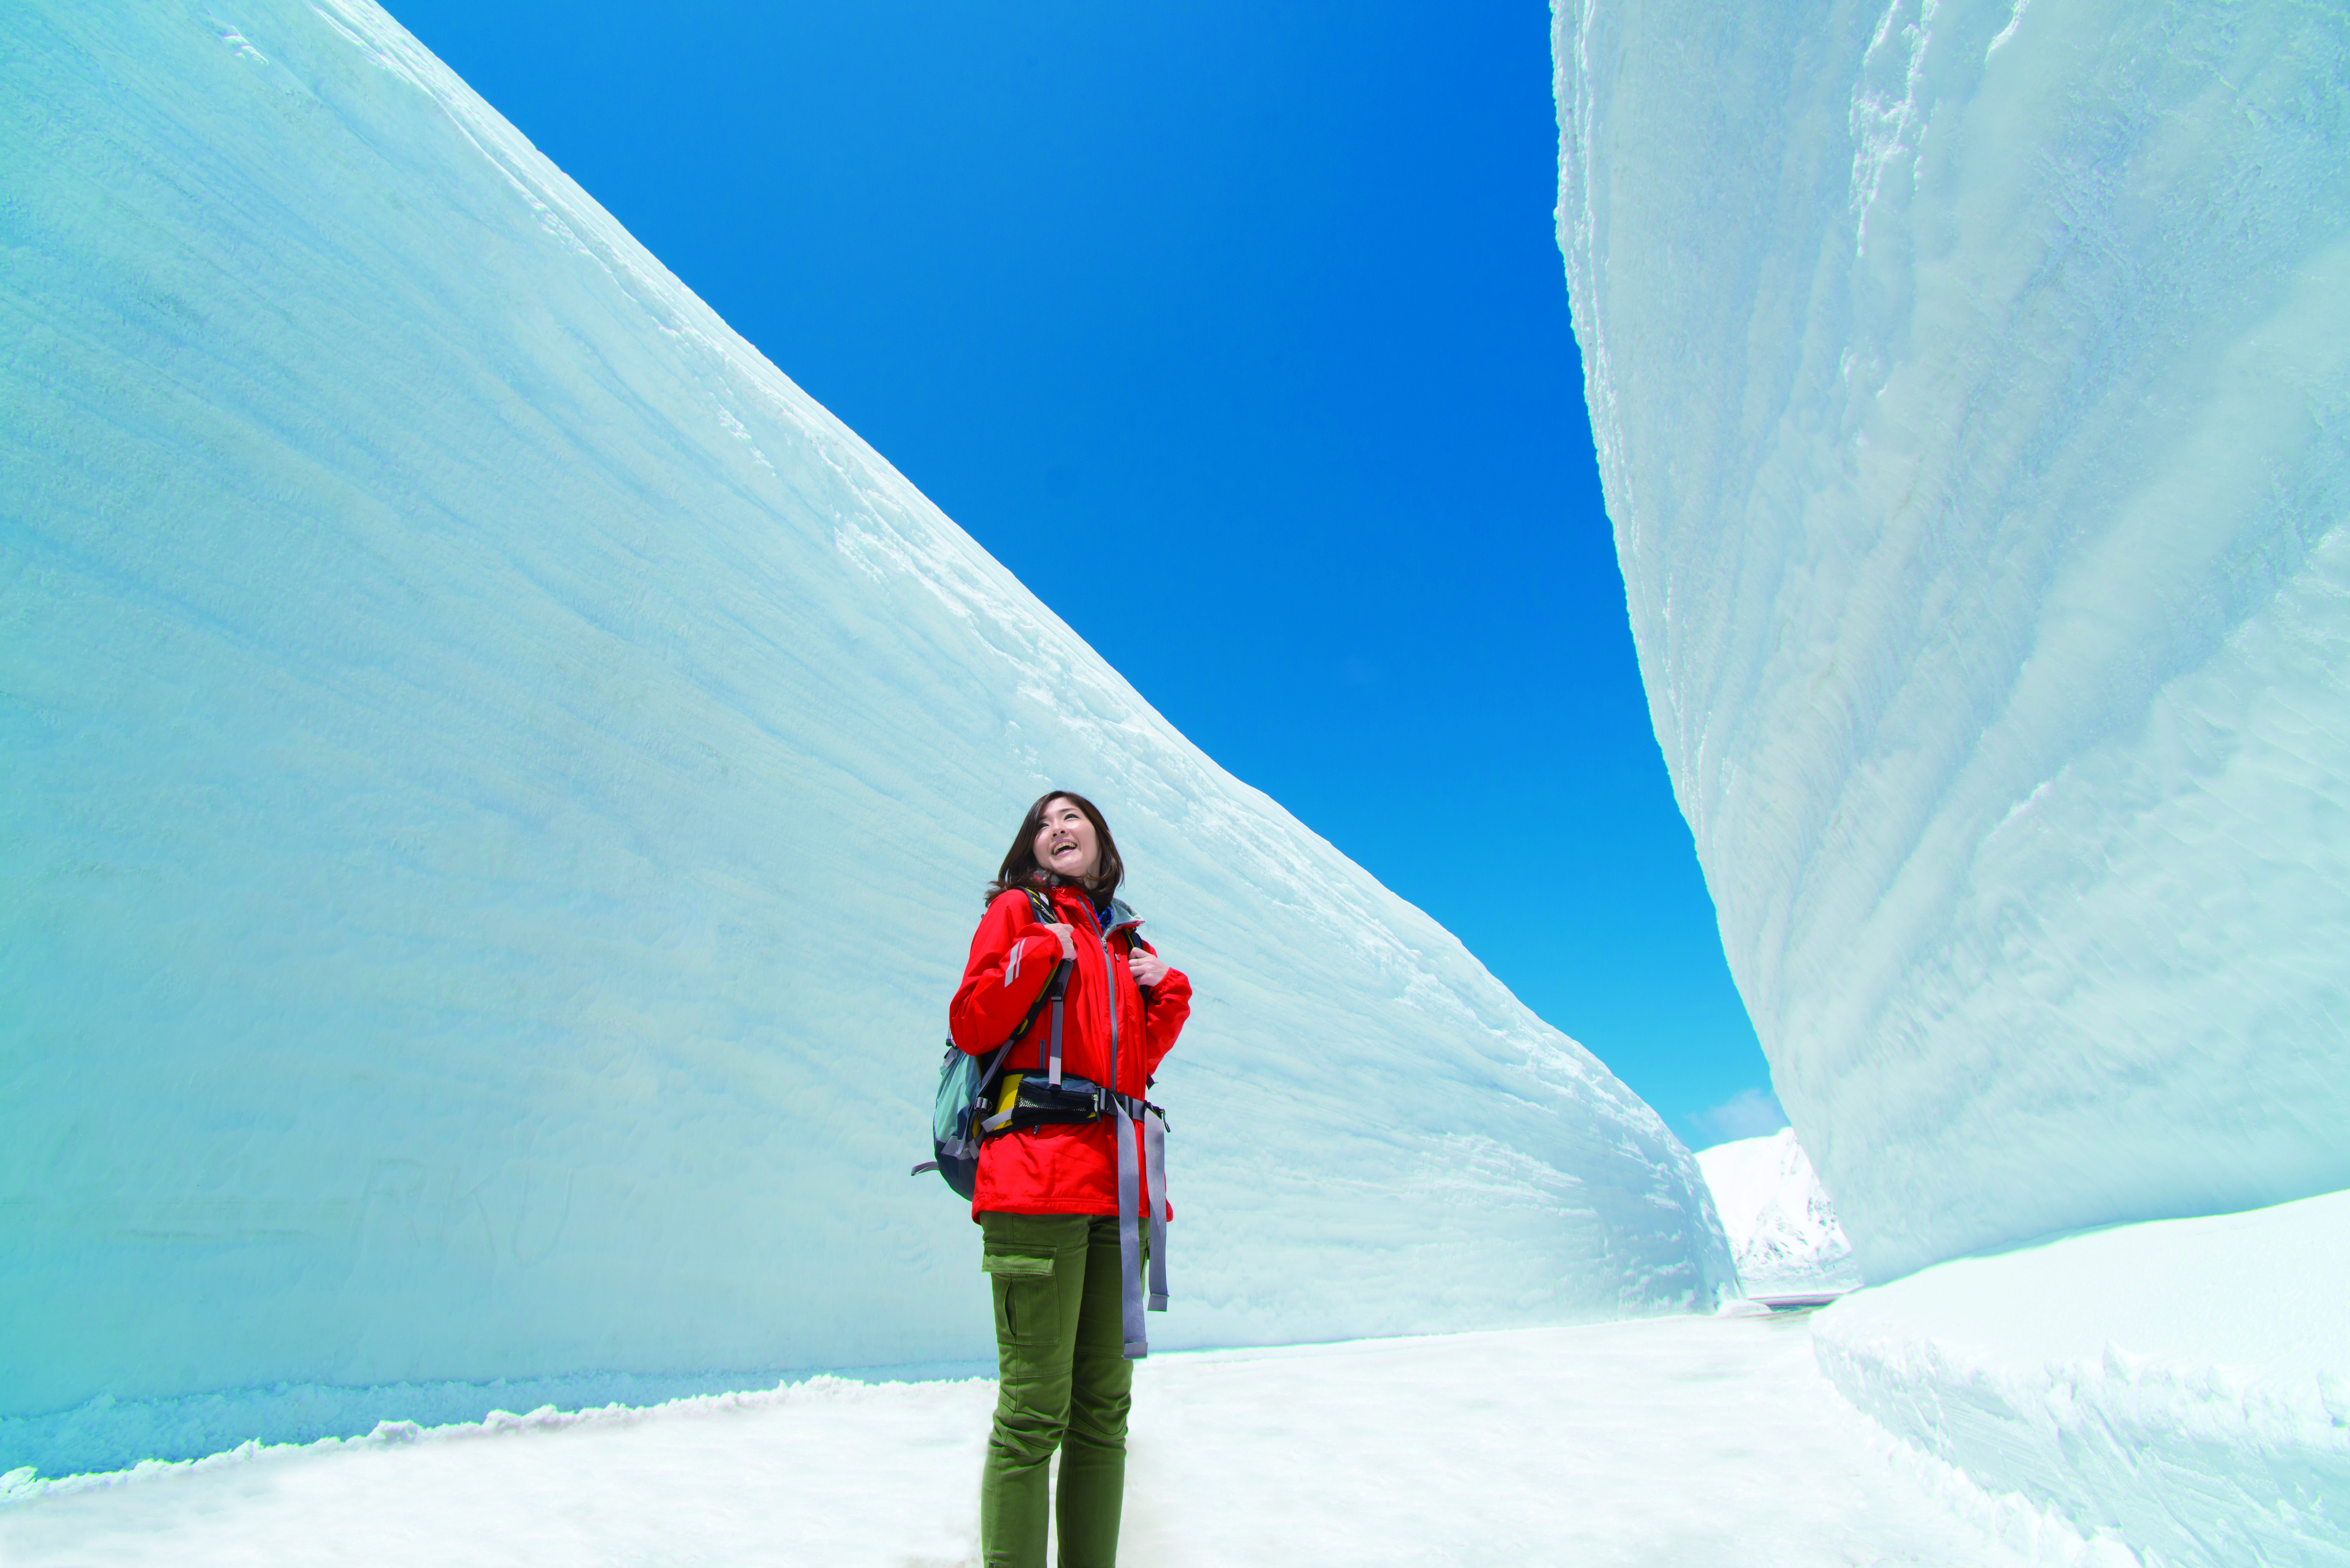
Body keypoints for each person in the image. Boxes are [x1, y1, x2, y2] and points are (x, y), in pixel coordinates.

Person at [948, 790, 1192, 1568]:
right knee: (1031, 1414)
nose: (1057, 828)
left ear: (1101, 841)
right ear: (1031, 848)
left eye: (1072, 818)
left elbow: (1130, 1068)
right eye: (1043, 823)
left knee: (1102, 1414)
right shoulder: (1020, 913)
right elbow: (972, 1022)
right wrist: (1034, 955)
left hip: (1114, 1193)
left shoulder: (1122, 941)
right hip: (1037, 1179)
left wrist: (1168, 992)